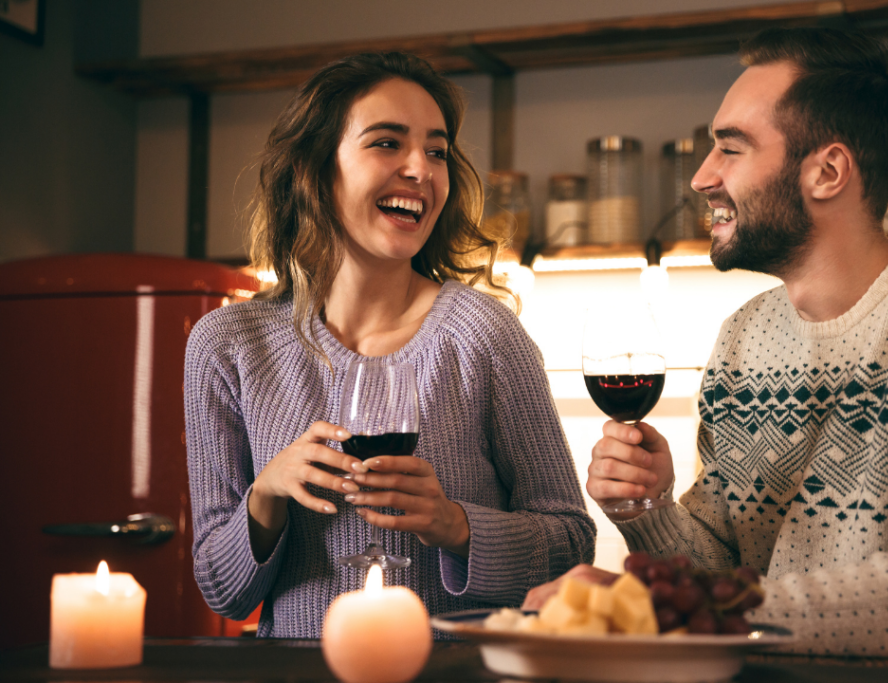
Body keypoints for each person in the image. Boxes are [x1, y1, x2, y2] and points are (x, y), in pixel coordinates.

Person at [525, 27, 888, 657]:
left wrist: (666, 608)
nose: (703, 177)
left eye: (731, 149)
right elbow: (722, 577)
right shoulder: (742, 339)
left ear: (828, 171)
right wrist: (648, 510)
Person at [184, 52, 596, 638]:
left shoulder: (484, 335)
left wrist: (455, 525)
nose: (421, 170)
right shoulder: (228, 344)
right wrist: (266, 494)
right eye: (386, 143)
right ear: (315, 169)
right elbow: (222, 592)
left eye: (436, 151)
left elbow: (572, 545)